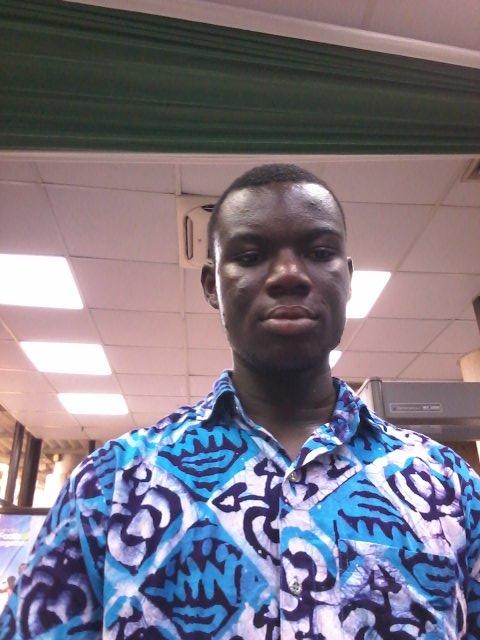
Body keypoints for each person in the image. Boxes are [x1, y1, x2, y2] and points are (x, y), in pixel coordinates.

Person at [0, 163, 479, 639]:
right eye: (251, 256)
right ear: (212, 286)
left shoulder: (449, 486)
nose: (289, 275)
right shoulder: (109, 486)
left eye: (319, 252)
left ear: (348, 279)